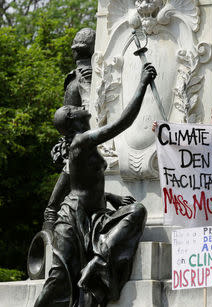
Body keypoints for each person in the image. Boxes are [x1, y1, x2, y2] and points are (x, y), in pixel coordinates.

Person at [34, 63, 156, 307]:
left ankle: (97, 264)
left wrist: (111, 197)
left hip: (96, 216)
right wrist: (142, 84)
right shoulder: (81, 141)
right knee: (59, 281)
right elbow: (122, 123)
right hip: (72, 220)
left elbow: (86, 183)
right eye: (75, 109)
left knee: (137, 211)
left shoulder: (82, 144)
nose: (81, 108)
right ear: (72, 121)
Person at [43, 28, 96, 230]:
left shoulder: (78, 78)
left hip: (78, 150)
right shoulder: (80, 78)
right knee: (59, 206)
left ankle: (50, 250)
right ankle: (48, 249)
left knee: (55, 206)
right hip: (76, 151)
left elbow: (88, 111)